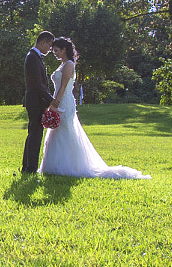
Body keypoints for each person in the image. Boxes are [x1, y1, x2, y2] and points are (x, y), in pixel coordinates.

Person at [39, 37, 149, 179]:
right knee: (56, 133)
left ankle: (67, 165)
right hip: (59, 99)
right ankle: (54, 165)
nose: (55, 54)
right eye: (54, 51)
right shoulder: (63, 64)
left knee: (65, 131)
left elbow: (63, 86)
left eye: (57, 51)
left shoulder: (69, 65)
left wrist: (55, 104)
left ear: (64, 49)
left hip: (64, 101)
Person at [22, 29, 55, 176]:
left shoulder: (36, 57)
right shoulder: (33, 57)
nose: (50, 49)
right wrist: (51, 100)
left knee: (33, 133)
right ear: (43, 42)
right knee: (35, 134)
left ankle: (27, 166)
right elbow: (37, 85)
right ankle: (30, 168)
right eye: (49, 45)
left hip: (36, 100)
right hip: (35, 101)